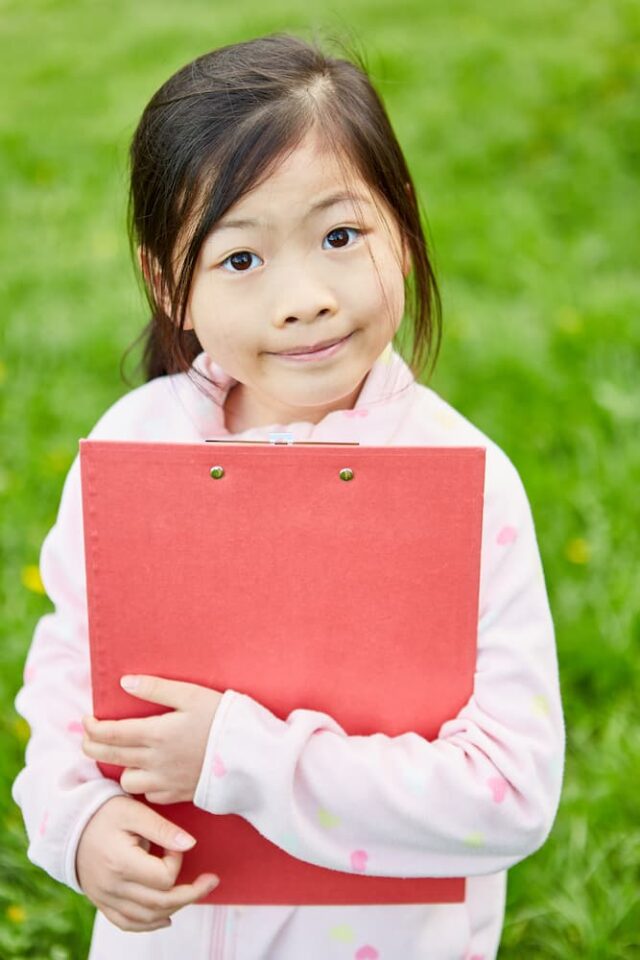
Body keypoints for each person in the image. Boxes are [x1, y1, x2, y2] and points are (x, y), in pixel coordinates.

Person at [11, 31, 565, 960]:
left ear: (403, 224)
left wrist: (242, 758)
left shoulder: (462, 481)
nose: (303, 296)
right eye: (240, 259)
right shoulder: (132, 450)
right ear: (167, 285)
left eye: (340, 236)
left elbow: (510, 793)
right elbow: (68, 690)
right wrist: (79, 823)